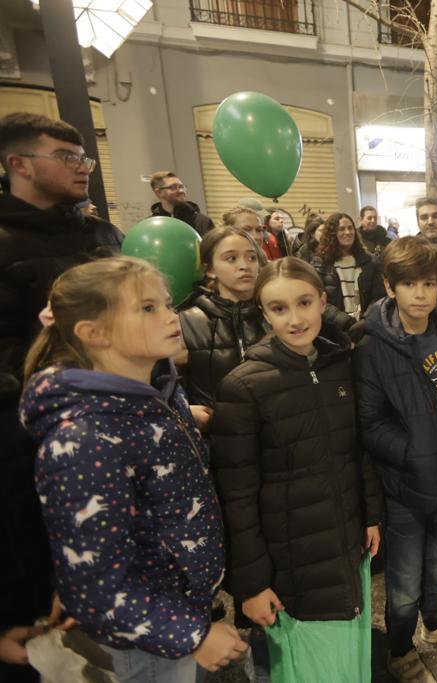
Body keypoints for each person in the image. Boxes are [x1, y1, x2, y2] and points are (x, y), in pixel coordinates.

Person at [20, 257, 248, 682]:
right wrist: (194, 636)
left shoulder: (159, 395)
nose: (170, 316)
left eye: (166, 303)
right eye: (147, 308)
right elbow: (97, 587)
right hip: (142, 642)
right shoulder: (83, 439)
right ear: (93, 333)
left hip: (179, 607)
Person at [209, 257, 382, 679]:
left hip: (342, 542)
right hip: (289, 560)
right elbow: (237, 495)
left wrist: (371, 514)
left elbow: (356, 449)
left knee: (347, 657)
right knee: (303, 663)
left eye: (304, 303)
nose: (295, 319)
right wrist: (250, 583)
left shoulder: (341, 365)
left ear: (324, 302)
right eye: (279, 308)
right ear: (264, 313)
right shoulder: (244, 385)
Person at [0, 112, 123, 682]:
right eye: (68, 158)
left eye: (86, 160)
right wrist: (54, 377)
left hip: (121, 421)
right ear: (19, 164)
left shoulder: (100, 236)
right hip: (31, 438)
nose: (83, 170)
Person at [354, 237, 437, 682]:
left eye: (429, 283)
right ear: (390, 287)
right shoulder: (373, 347)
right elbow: (370, 424)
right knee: (404, 581)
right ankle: (401, 648)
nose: (421, 293)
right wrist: (416, 455)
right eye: (409, 284)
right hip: (405, 484)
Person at [178, 226, 267, 410]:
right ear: (210, 269)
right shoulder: (186, 321)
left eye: (252, 257)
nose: (245, 265)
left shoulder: (273, 313)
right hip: (216, 431)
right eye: (231, 258)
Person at [312, 212, 386, 319]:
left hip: (365, 325)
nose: (347, 232)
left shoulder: (369, 261)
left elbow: (378, 296)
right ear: (332, 233)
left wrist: (365, 320)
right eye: (341, 229)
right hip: (334, 326)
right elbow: (317, 298)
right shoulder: (320, 263)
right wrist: (342, 319)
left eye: (350, 228)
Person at [149, 171, 214, 236]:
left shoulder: (202, 222)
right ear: (159, 193)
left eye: (182, 187)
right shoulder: (150, 225)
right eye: (174, 187)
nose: (181, 191)